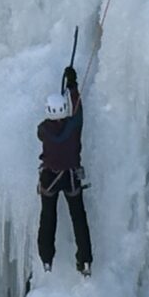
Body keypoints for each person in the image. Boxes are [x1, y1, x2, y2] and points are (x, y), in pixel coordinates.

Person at [37, 65, 91, 275]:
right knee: (78, 217)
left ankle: (46, 258)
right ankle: (85, 261)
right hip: (70, 176)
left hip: (50, 177)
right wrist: (72, 85)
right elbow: (78, 108)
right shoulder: (74, 126)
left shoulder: (42, 130)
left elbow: (46, 131)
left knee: (48, 216)